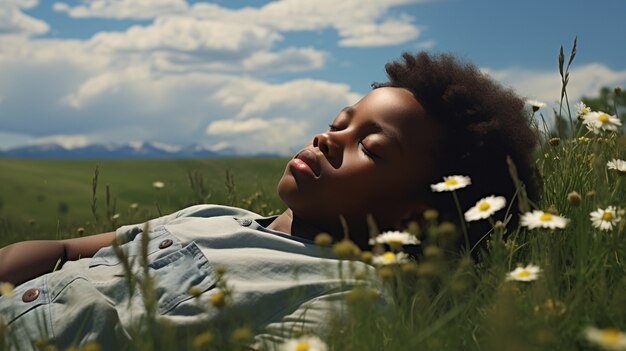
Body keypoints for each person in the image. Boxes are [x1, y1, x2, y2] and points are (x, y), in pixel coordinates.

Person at [0, 52, 539, 350]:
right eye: (338, 124)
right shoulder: (211, 215)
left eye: (369, 148)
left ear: (413, 215)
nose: (329, 139)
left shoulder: (347, 295)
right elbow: (69, 249)